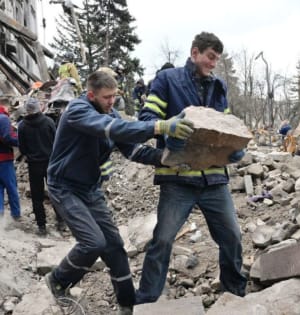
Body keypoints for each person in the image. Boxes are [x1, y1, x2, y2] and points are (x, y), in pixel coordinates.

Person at [44, 70, 194, 315]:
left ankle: (128, 304)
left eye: (114, 96)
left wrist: (167, 159)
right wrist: (159, 126)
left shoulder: (110, 113)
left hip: (90, 188)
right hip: (64, 186)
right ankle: (58, 279)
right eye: (106, 97)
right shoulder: (77, 111)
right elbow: (111, 128)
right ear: (91, 95)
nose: (112, 102)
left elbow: (133, 150)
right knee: (93, 242)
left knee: (114, 246)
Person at [136, 32, 247, 304]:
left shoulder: (219, 87)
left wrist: (233, 148)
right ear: (195, 52)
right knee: (162, 240)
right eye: (210, 57)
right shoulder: (167, 80)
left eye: (217, 59)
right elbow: (147, 118)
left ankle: (234, 294)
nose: (213, 63)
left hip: (213, 178)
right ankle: (147, 300)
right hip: (178, 178)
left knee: (232, 237)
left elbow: (225, 125)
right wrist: (169, 128)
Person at [17, 98, 64, 235]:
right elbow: (57, 142)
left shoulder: (22, 126)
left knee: (37, 196)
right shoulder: (49, 122)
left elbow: (22, 148)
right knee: (55, 192)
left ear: (27, 110)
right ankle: (61, 221)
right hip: (50, 163)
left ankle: (41, 226)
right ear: (39, 108)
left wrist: (31, 155)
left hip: (34, 165)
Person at [0, 97, 21, 219]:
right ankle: (16, 214)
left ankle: (0, 214)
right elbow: (7, 137)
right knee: (11, 187)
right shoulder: (3, 118)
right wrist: (20, 141)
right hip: (4, 159)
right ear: (6, 106)